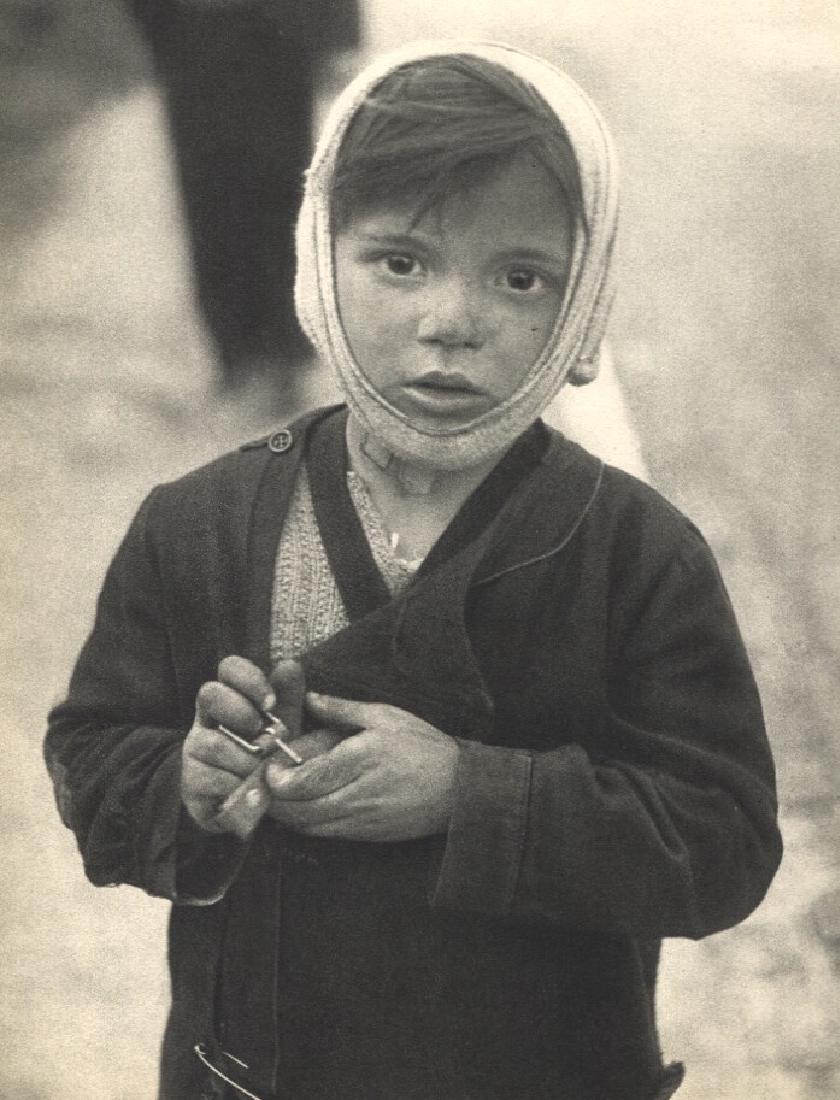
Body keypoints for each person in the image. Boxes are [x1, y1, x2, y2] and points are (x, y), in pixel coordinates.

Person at [45, 42, 782, 1100]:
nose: (449, 322)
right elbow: (94, 755)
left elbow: (724, 838)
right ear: (318, 260)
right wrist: (188, 785)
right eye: (400, 260)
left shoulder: (635, 553)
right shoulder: (198, 524)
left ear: (582, 310)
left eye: (520, 277)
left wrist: (470, 793)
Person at [128, 0, 361, 391]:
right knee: (207, 191)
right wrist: (161, 30)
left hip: (279, 36)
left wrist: (338, 36)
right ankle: (234, 349)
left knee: (283, 183)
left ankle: (285, 345)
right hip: (195, 37)